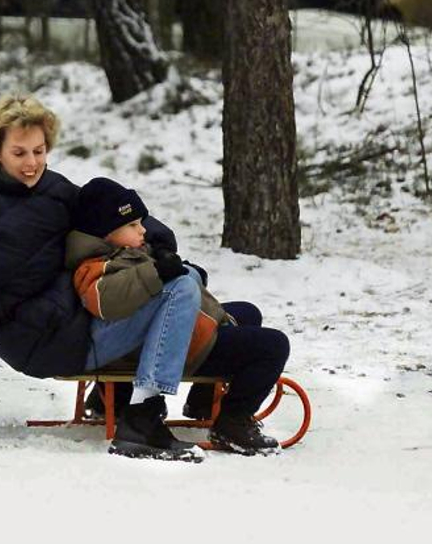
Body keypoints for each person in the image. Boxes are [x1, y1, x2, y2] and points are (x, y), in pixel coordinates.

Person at [0, 95, 179, 380]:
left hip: (69, 315)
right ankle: (144, 407)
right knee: (178, 292)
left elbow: (108, 217)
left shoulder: (54, 190)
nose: (32, 163)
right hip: (40, 340)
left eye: (39, 151)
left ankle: (121, 399)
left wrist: (157, 241)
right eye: (19, 153)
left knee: (174, 285)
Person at [67, 177, 290, 458]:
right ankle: (233, 422)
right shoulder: (93, 266)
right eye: (133, 225)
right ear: (106, 232)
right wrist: (157, 273)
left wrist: (175, 267)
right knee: (273, 346)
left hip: (167, 331)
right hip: (165, 346)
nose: (143, 230)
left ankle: (203, 403)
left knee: (247, 312)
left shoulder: (122, 252)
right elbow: (106, 300)